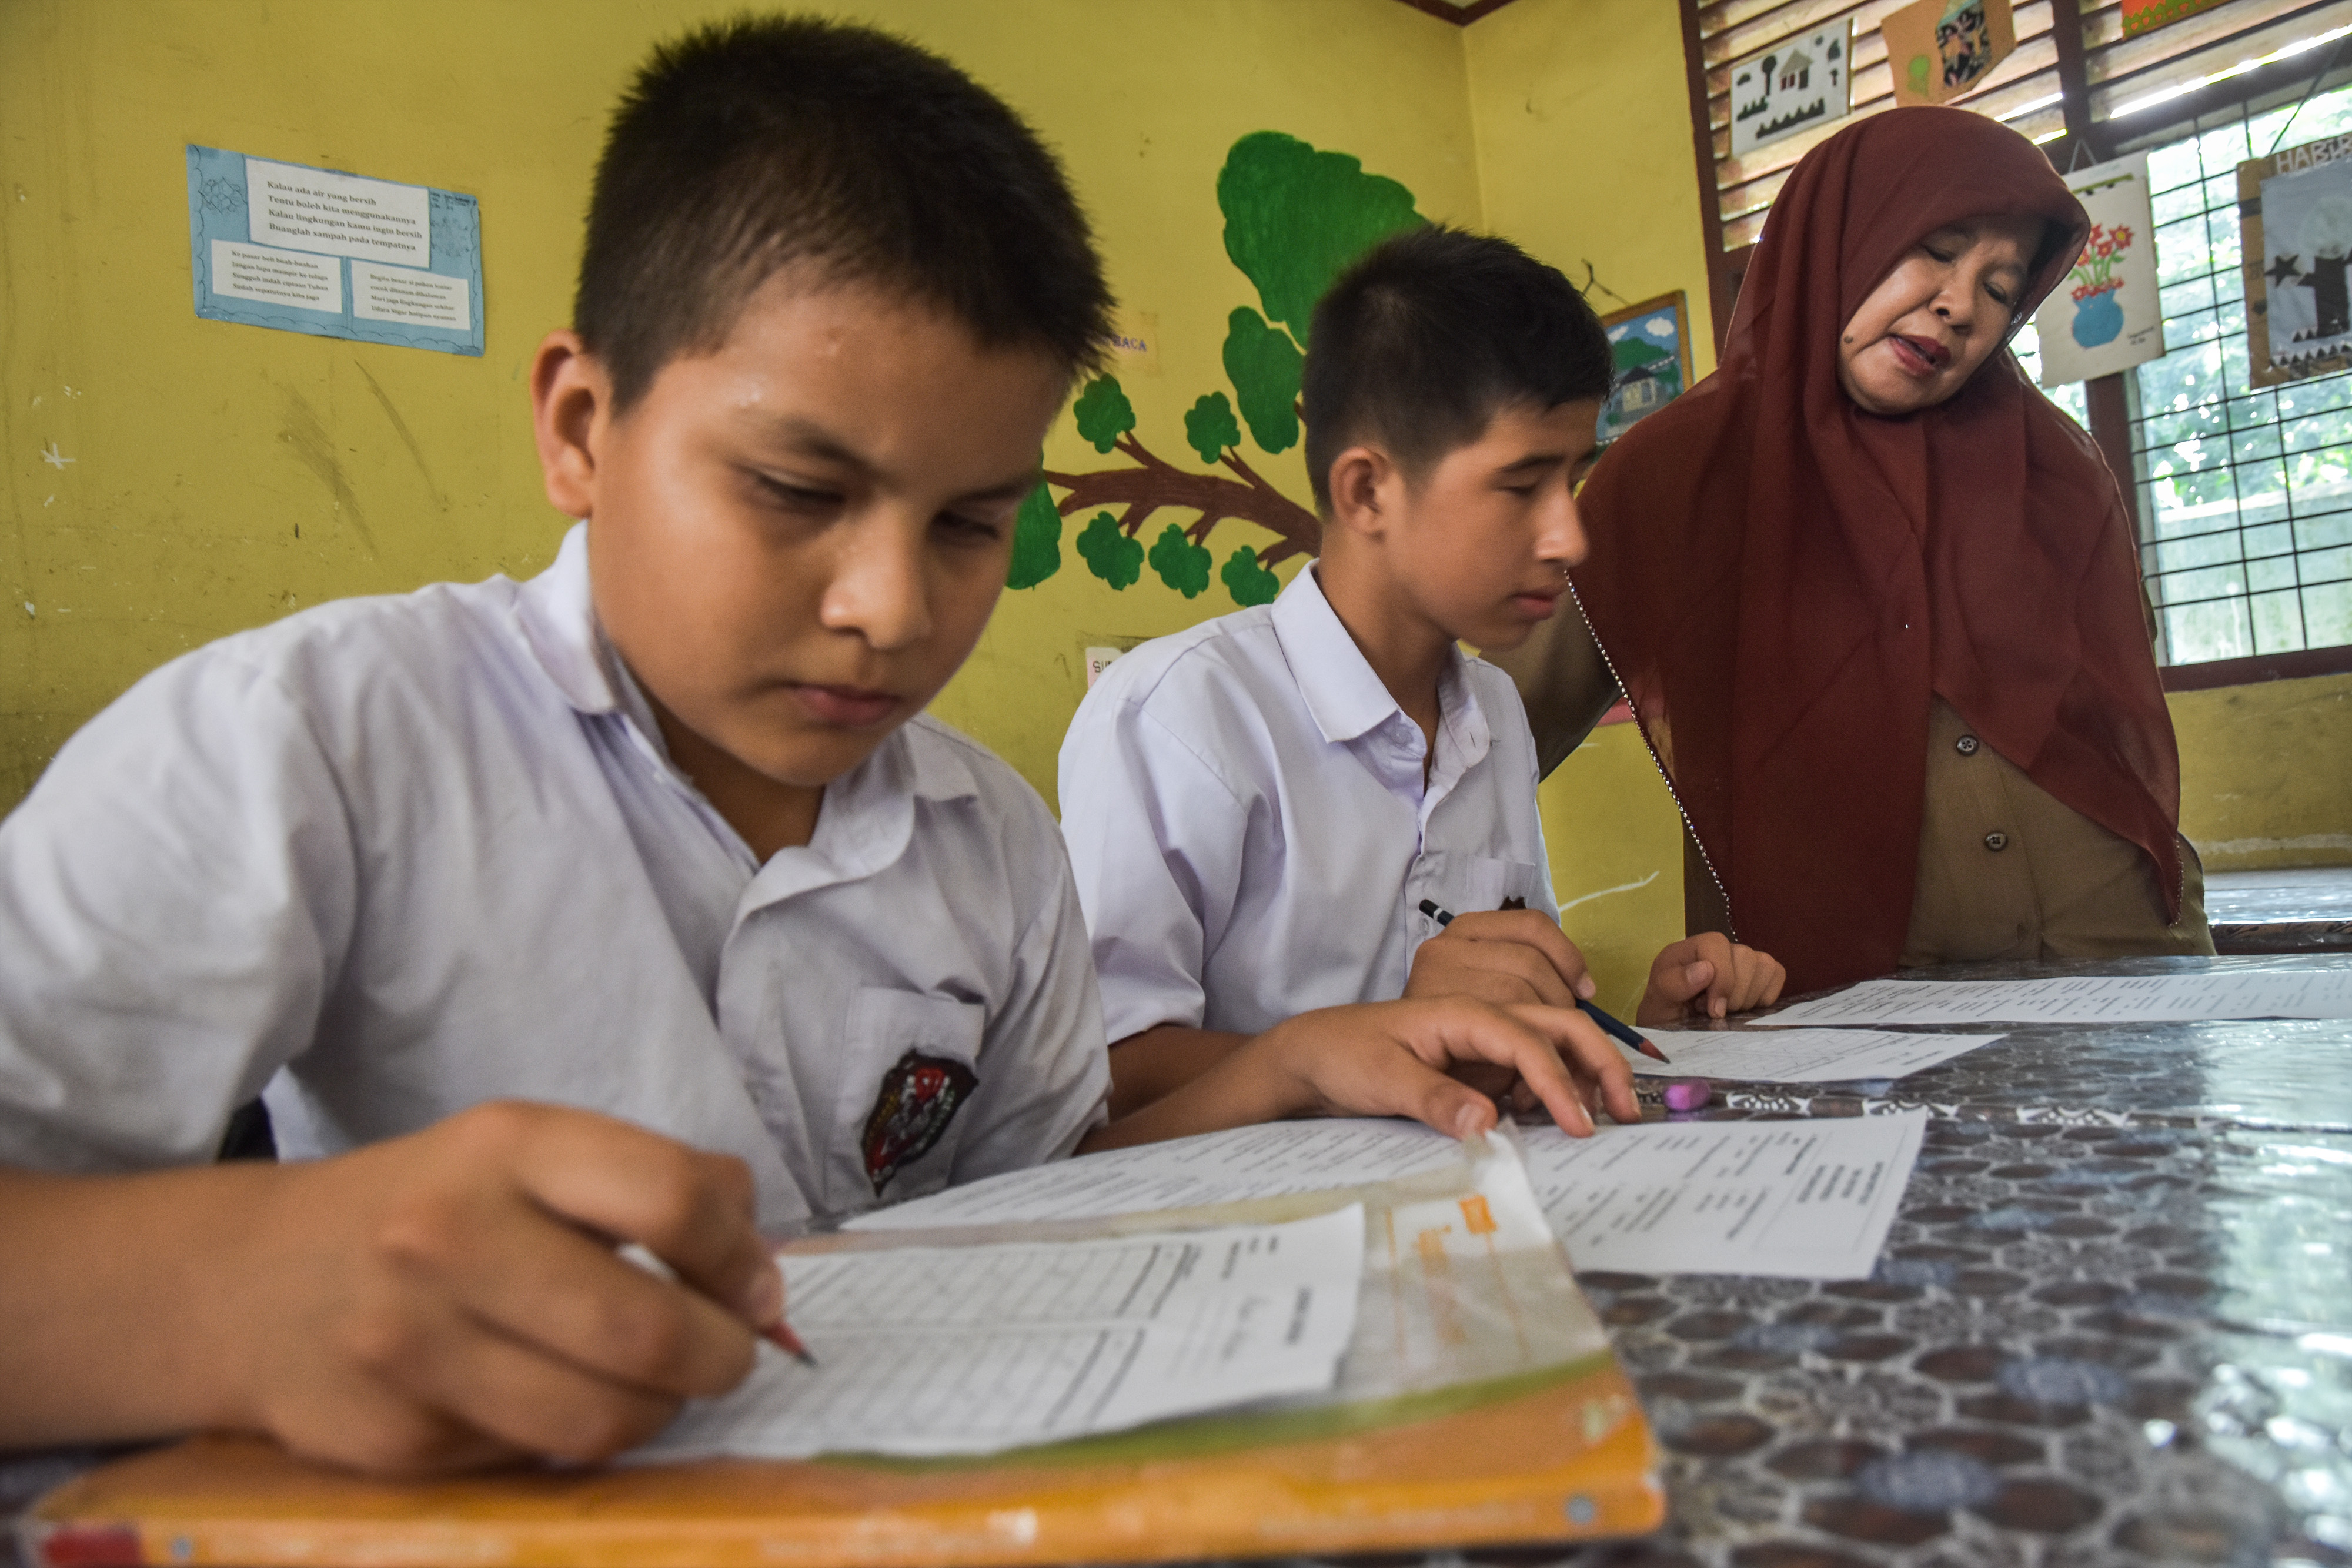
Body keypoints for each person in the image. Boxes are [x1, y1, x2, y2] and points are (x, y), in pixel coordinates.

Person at [0, 22, 1625, 1476]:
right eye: (794, 490)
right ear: (579, 424)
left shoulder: (984, 842)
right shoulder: (315, 741)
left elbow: (1046, 1185)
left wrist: (1282, 1060)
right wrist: (229, 1287)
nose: (888, 605)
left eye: (975, 522)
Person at [1059, 228, 1785, 1124]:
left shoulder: (1495, 714)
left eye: (1576, 479)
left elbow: (1501, 1015)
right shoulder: (1178, 718)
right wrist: (1398, 1032)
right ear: (1367, 492)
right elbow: (1105, 1080)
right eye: (1523, 486)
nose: (1569, 538)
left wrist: (1630, 1026)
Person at [1489, 107, 2213, 997]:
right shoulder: (1676, 479)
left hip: (2126, 963)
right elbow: (1488, 736)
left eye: (2001, 287)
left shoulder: (2054, 467)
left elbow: (2113, 713)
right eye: (1938, 247)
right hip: (1837, 1013)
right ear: (1841, 236)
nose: (1959, 305)